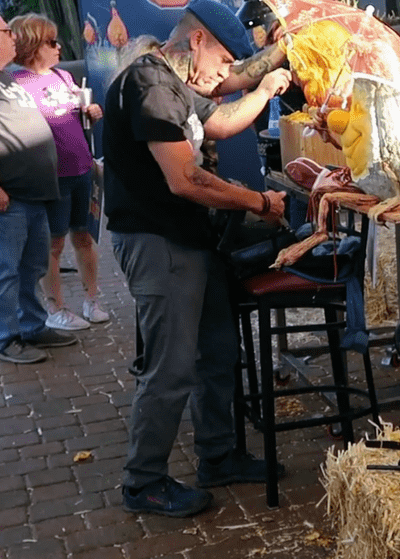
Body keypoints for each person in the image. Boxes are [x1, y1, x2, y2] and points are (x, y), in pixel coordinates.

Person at [104, 0, 292, 517]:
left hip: (189, 239)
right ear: (197, 42)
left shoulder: (178, 85)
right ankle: (143, 481)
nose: (225, 74)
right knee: (171, 365)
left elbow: (224, 120)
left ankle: (218, 455)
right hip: (157, 239)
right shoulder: (150, 86)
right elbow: (184, 178)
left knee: (216, 351)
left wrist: (264, 83)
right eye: (226, 61)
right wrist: (258, 202)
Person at [0, 4, 77, 364]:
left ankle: (33, 326)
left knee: (32, 266)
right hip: (10, 197)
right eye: (7, 31)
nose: (14, 37)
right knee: (3, 269)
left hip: (34, 195)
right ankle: (8, 338)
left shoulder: (4, 76)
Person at [10, 13, 109, 332]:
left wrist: (90, 115)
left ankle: (91, 298)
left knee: (84, 236)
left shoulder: (63, 77)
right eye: (51, 42)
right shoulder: (16, 84)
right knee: (52, 244)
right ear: (33, 45)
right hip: (51, 177)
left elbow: (77, 123)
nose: (58, 47)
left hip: (81, 168)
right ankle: (56, 307)